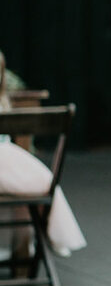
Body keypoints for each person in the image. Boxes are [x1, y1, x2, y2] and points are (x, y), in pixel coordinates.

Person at [0, 50, 86, 258]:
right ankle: (48, 235)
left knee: (34, 185)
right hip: (10, 166)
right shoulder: (3, 101)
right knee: (44, 183)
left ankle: (34, 241)